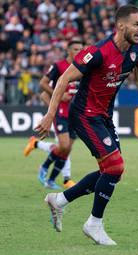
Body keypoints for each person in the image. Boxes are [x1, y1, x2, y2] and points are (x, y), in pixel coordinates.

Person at [35, 5, 138, 245]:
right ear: (121, 25)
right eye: (136, 24)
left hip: (103, 116)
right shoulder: (98, 52)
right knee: (114, 167)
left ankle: (59, 200)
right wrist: (50, 114)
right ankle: (94, 224)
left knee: (112, 171)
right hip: (83, 114)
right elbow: (63, 79)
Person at [33, 40, 83, 189]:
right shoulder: (59, 66)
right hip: (60, 112)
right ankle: (45, 166)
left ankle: (51, 180)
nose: (79, 51)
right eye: (76, 49)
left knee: (67, 149)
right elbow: (43, 84)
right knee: (64, 145)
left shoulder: (82, 68)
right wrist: (59, 96)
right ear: (68, 50)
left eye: (81, 49)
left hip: (75, 113)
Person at [23, 92, 74, 188]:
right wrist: (54, 111)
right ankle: (66, 178)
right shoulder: (62, 78)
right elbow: (43, 95)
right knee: (64, 146)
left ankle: (36, 144)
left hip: (73, 117)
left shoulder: (80, 78)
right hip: (61, 117)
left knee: (65, 148)